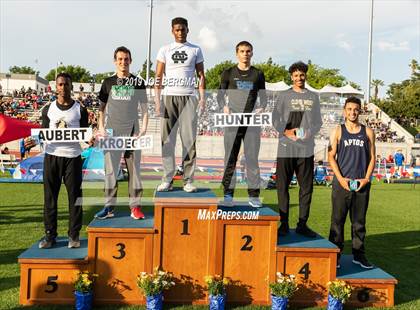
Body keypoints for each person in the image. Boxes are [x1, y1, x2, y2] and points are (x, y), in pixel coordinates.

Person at [94, 46, 149, 220]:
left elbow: (145, 109)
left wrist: (144, 129)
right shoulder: (107, 83)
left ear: (130, 61)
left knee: (135, 172)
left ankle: (135, 207)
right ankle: (109, 207)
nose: (123, 62)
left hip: (132, 133)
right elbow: (101, 109)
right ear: (115, 61)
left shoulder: (138, 82)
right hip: (112, 133)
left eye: (126, 59)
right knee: (110, 171)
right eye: (120, 59)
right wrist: (101, 128)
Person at [154, 17, 205, 193]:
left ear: (187, 30)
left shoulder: (196, 49)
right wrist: (157, 100)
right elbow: (158, 77)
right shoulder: (164, 50)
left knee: (189, 141)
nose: (180, 32)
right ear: (172, 31)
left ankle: (188, 180)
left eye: (183, 29)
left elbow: (201, 76)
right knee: (167, 141)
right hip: (169, 97)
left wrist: (202, 97)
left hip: (189, 98)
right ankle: (167, 179)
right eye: (177, 29)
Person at [39, 72, 88, 249]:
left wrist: (90, 140)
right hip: (51, 156)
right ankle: (50, 235)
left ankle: (73, 235)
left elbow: (85, 134)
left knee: (75, 198)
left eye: (66, 84)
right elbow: (43, 134)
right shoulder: (48, 109)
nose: (63, 88)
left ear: (71, 86)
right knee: (50, 198)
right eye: (60, 84)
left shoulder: (80, 109)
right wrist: (34, 140)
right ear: (55, 87)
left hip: (72, 158)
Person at [272, 61, 322, 237]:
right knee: (282, 186)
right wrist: (285, 131)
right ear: (291, 77)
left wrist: (310, 132)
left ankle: (302, 224)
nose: (299, 78)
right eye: (296, 75)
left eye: (302, 75)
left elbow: (318, 122)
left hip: (305, 149)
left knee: (306, 188)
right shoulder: (284, 95)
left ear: (305, 76)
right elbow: (275, 118)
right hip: (286, 147)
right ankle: (283, 224)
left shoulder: (313, 97)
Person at [217, 41, 267, 207]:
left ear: (252, 53)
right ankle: (228, 195)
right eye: (242, 51)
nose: (245, 54)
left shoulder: (258, 74)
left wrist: (261, 108)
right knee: (230, 159)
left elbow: (264, 98)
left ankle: (253, 196)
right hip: (232, 122)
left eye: (248, 51)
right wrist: (224, 107)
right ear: (237, 53)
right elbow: (219, 95)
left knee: (252, 158)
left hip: (251, 123)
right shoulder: (228, 73)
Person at [328, 96, 376, 269]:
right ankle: (335, 255)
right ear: (344, 111)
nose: (352, 112)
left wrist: (366, 178)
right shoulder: (337, 131)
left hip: (361, 183)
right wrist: (341, 179)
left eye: (356, 109)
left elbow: (372, 158)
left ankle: (359, 255)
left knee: (359, 222)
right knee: (337, 221)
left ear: (360, 111)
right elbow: (330, 157)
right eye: (349, 109)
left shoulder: (368, 132)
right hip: (342, 183)